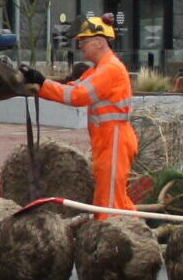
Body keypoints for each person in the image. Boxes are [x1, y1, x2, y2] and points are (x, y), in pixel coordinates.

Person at [15, 17, 140, 213]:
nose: (80, 45)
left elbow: (77, 95)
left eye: (84, 40)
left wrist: (42, 83)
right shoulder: (99, 69)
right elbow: (72, 88)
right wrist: (40, 84)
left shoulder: (110, 70)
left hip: (114, 140)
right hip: (108, 141)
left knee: (109, 204)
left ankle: (114, 239)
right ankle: (127, 236)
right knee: (113, 200)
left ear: (99, 42)